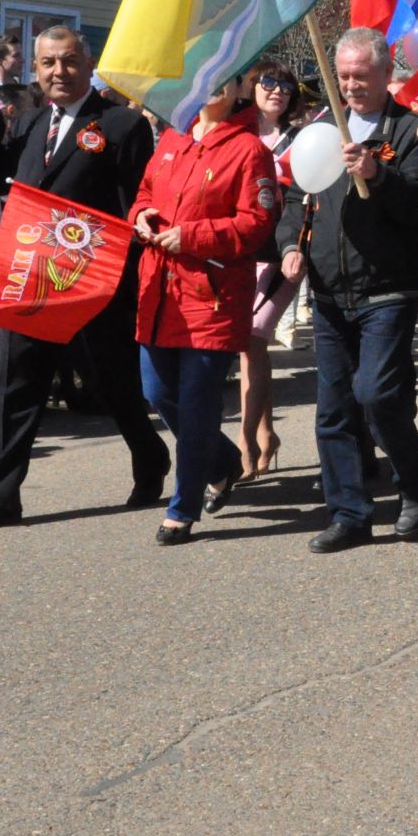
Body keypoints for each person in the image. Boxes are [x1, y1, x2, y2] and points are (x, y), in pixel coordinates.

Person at [0, 28, 167, 531]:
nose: (58, 72)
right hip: (31, 275)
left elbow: (138, 198)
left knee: (115, 384)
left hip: (94, 279)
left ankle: (150, 455)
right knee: (14, 384)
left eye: (69, 62)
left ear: (89, 65)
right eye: (47, 63)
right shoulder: (28, 121)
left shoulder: (120, 124)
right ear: (36, 69)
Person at [275, 28, 418, 554]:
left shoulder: (406, 130)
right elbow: (297, 198)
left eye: (361, 76)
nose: (351, 86)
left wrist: (379, 175)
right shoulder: (317, 128)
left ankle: (413, 482)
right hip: (328, 291)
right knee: (334, 409)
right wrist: (290, 246)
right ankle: (349, 513)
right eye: (342, 76)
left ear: (387, 74)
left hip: (386, 289)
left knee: (378, 397)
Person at [129, 77, 277, 544]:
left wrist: (193, 237)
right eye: (206, 76)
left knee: (196, 407)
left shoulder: (249, 149)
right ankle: (221, 461)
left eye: (226, 79)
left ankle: (182, 507)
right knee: (157, 393)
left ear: (240, 90)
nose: (213, 86)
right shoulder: (174, 136)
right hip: (160, 293)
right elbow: (145, 192)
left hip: (211, 296)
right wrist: (141, 216)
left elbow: (257, 222)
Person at [237, 60, 303, 478]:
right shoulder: (236, 134)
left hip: (282, 253)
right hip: (240, 252)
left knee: (253, 336)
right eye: (268, 82)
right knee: (249, 346)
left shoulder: (303, 139)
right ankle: (266, 433)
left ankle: (245, 442)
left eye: (285, 85)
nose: (277, 90)